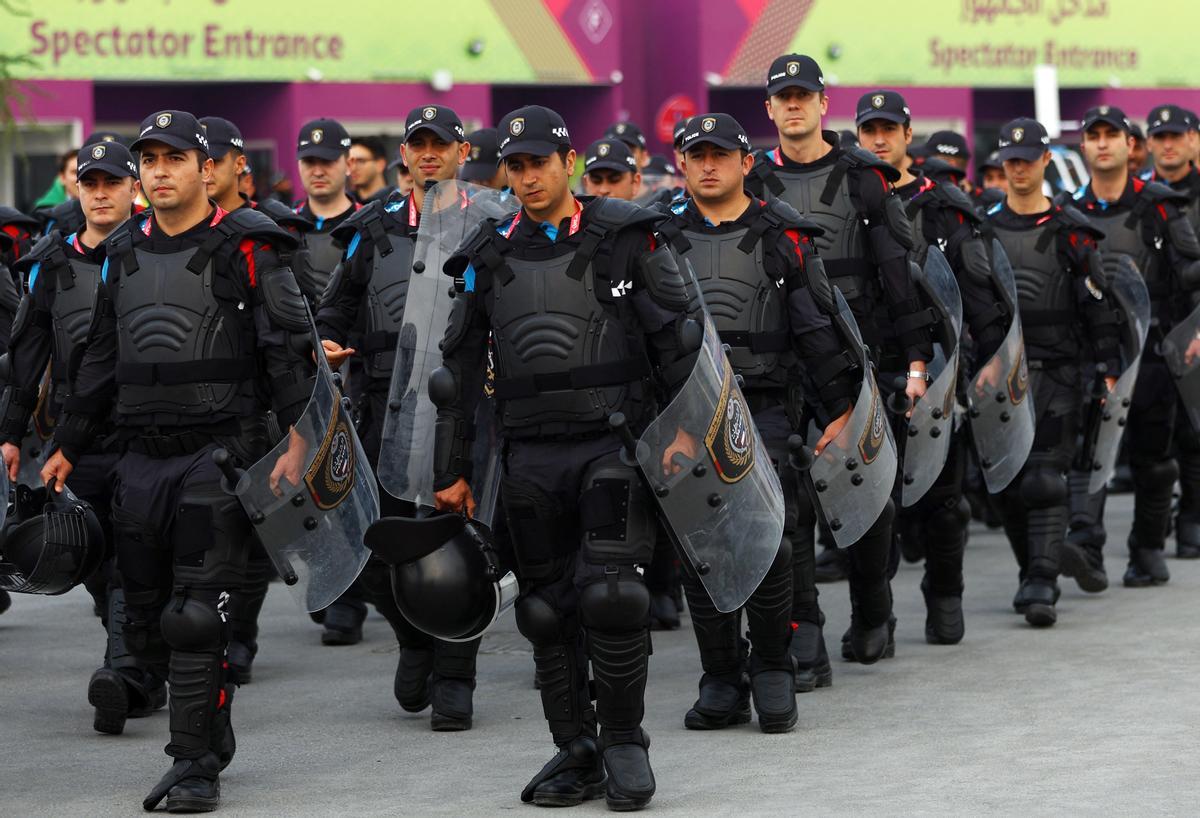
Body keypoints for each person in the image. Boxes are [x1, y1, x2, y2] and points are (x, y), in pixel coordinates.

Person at [39, 109, 317, 812]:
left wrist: (299, 437)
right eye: (150, 161)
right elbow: (100, 357)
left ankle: (193, 764)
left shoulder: (248, 246)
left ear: (203, 168)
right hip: (137, 461)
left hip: (216, 457)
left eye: (173, 159)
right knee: (146, 618)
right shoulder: (123, 251)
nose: (160, 172)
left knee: (196, 615)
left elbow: (287, 351)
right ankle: (209, 728)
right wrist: (67, 443)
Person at [433, 104, 700, 810]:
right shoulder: (484, 258)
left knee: (613, 596)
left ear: (568, 162)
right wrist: (451, 470)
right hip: (527, 457)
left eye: (538, 164)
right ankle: (575, 749)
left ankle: (622, 741)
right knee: (546, 611)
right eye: (513, 167)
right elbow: (456, 369)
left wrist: (682, 430)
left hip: (615, 446)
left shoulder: (626, 239)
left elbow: (680, 341)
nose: (525, 178)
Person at [659, 112, 855, 728]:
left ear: (748, 163)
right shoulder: (657, 240)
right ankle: (721, 676)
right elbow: (650, 338)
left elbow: (817, 331)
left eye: (720, 154)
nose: (708, 165)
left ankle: (772, 666)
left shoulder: (784, 236)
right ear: (682, 165)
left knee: (764, 539)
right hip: (685, 417)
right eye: (697, 155)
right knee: (702, 547)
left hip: (765, 409)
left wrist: (841, 412)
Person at [748, 53, 933, 665]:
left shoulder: (865, 177)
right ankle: (805, 628)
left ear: (824, 104)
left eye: (804, 94)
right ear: (770, 107)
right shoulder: (751, 182)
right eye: (783, 96)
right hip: (783, 364)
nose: (794, 104)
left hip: (862, 362)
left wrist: (915, 364)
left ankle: (873, 611)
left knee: (866, 495)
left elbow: (898, 278)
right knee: (790, 498)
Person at [318, 104, 482, 731]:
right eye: (419, 144)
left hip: (457, 411)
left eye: (441, 143)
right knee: (374, 548)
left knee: (453, 545)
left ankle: (456, 679)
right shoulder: (373, 228)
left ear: (463, 152)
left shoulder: (492, 223)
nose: (429, 153)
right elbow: (335, 310)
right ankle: (415, 641)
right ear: (404, 156)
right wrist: (328, 342)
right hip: (382, 408)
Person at [1, 142, 168, 735]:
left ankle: (123, 672)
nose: (100, 192)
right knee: (95, 560)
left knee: (138, 556)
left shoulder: (159, 251)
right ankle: (138, 669)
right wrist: (12, 433)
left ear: (133, 189)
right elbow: (29, 352)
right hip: (78, 439)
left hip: (150, 431)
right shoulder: (51, 262)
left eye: (112, 182)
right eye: (90, 182)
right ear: (77, 189)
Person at [857, 90, 1012, 643]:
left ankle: (945, 594)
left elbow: (981, 293)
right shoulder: (847, 197)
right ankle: (874, 617)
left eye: (888, 129)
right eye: (868, 129)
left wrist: (989, 362)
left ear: (906, 135)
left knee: (945, 502)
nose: (878, 138)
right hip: (865, 368)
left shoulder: (943, 205)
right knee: (870, 506)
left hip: (939, 373)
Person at [986, 117, 1121, 626]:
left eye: (1027, 159)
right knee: (1005, 486)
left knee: (1044, 478)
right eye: (1010, 161)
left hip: (1061, 374)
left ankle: (1042, 581)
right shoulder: (983, 230)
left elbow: (1099, 308)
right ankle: (1034, 567)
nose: (1019, 169)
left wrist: (1107, 372)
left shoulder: (1073, 233)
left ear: (1045, 160)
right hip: (998, 381)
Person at [1068, 105, 1200, 588]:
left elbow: (1191, 272)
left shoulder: (1161, 206)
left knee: (1152, 459)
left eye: (1112, 135)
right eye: (1093, 135)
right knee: (1088, 451)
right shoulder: (1069, 210)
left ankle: (1146, 550)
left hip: (1155, 352)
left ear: (1130, 145)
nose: (1102, 143)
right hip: (1091, 352)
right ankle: (1085, 548)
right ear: (1083, 146)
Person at [578, 136, 680, 631]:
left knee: (663, 490)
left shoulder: (650, 234)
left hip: (656, 386)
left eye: (612, 179)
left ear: (635, 181)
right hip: (610, 396)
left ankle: (664, 583)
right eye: (594, 179)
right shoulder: (577, 237)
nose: (601, 188)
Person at [1143, 106, 1200, 559]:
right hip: (1152, 327)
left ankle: (1192, 521)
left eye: (1176, 136)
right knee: (1154, 432)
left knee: (1195, 431)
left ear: (1194, 141)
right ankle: (1154, 524)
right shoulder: (1140, 196)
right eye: (1159, 136)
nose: (1168, 144)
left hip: (1196, 322)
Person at [348, 136, 392, 204]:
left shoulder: (396, 202)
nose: (353, 168)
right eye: (349, 163)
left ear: (380, 164)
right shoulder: (346, 203)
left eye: (360, 161)